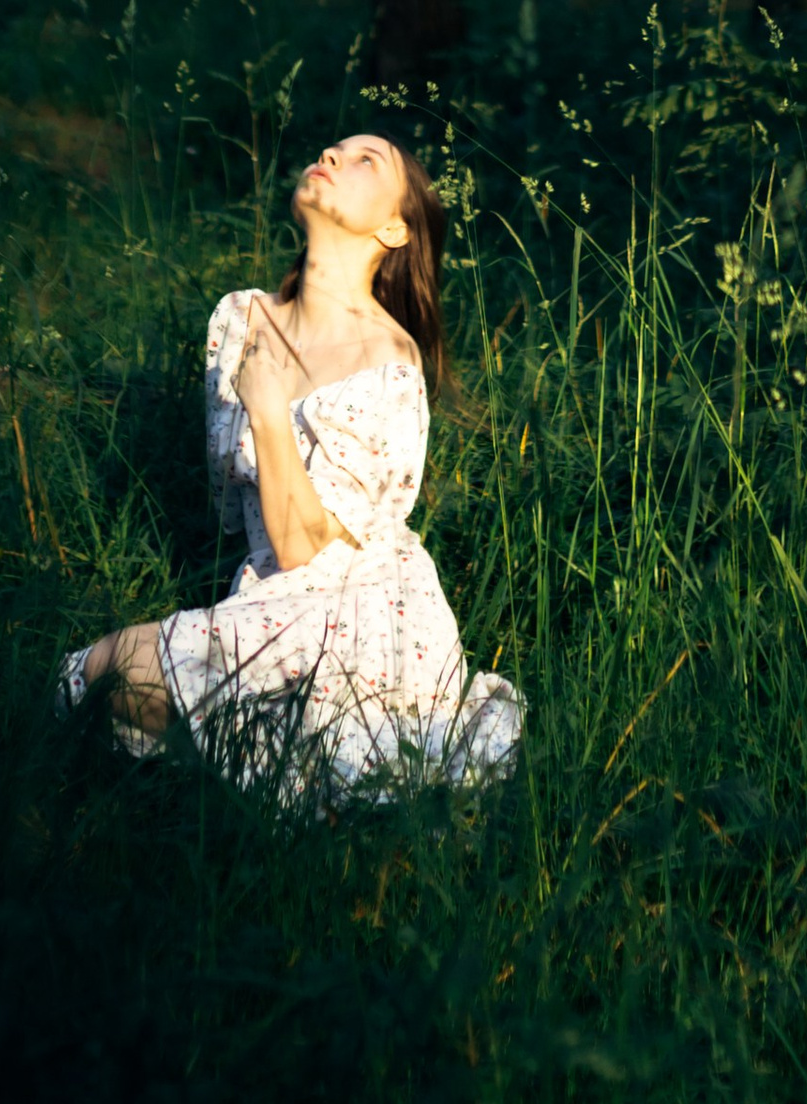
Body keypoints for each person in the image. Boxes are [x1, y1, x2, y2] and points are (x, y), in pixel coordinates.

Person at [57, 131, 523, 800]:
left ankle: (323, 780)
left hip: (365, 612)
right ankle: (314, 779)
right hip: (268, 594)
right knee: (97, 677)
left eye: (367, 161)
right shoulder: (241, 318)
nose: (332, 157)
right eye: (334, 149)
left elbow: (302, 546)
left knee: (112, 671)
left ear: (394, 227)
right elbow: (227, 504)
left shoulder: (388, 362)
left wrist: (272, 410)